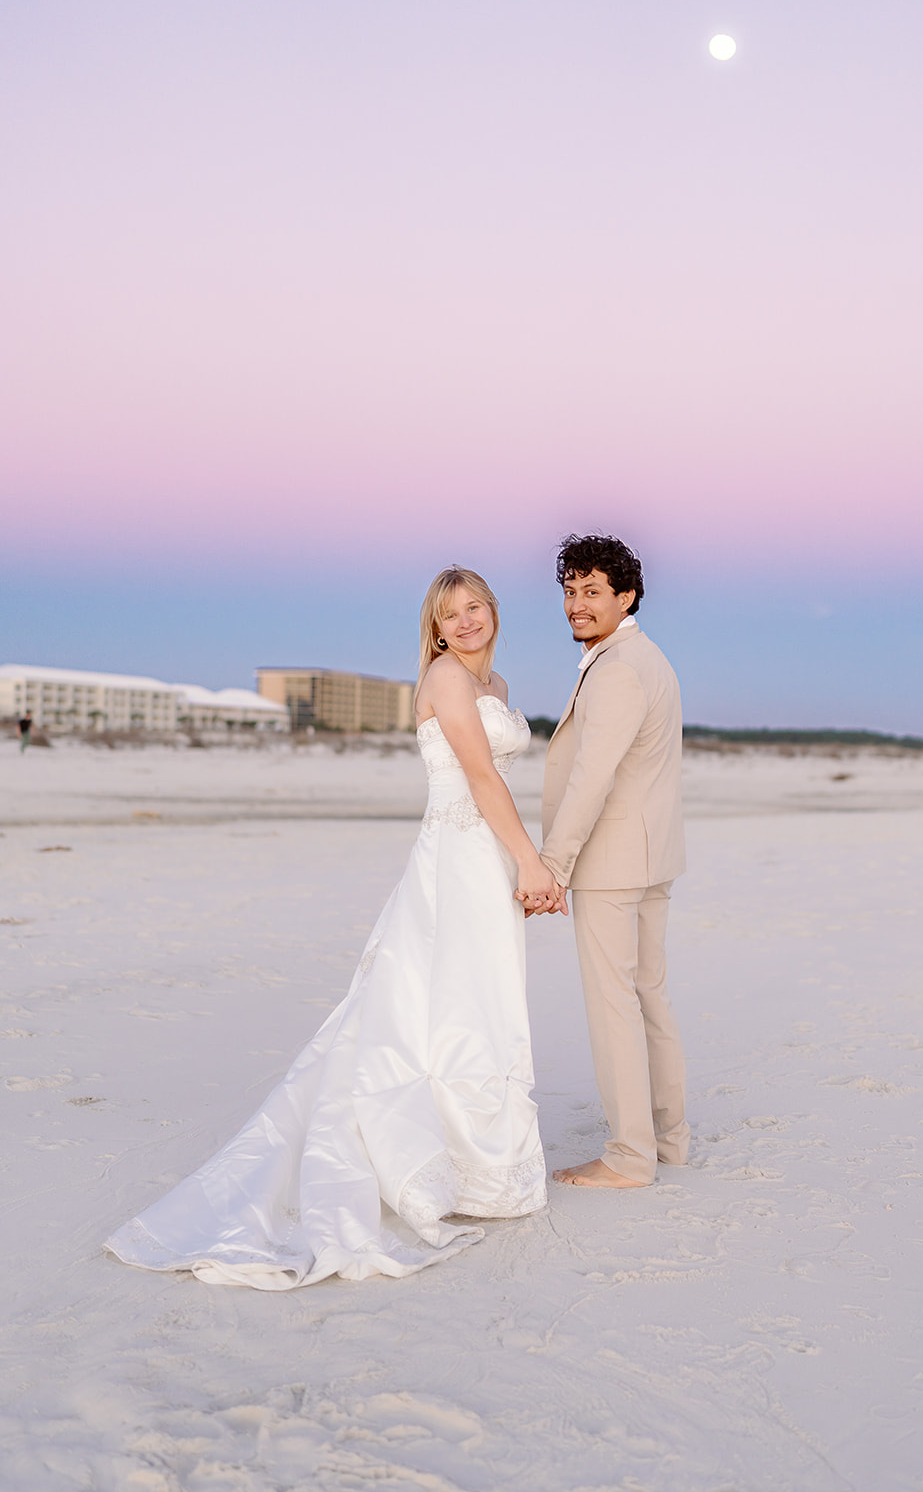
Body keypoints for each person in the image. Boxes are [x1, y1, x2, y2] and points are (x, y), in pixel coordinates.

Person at [105, 567, 552, 1288]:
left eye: (475, 607)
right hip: (457, 859)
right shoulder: (444, 678)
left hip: (486, 857)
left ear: (493, 611)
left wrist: (518, 861)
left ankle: (479, 1172)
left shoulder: (493, 687)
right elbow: (478, 776)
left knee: (476, 1004)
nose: (466, 621)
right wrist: (531, 861)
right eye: (451, 614)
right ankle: (435, 1170)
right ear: (434, 629)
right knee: (436, 1005)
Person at [528, 534, 690, 1189]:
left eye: (591, 591)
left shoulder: (619, 668)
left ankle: (628, 1156)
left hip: (613, 862)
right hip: (650, 856)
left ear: (625, 596)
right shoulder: (646, 658)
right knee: (648, 996)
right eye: (570, 591)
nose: (576, 604)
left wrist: (553, 864)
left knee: (614, 1005)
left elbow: (591, 776)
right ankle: (668, 1140)